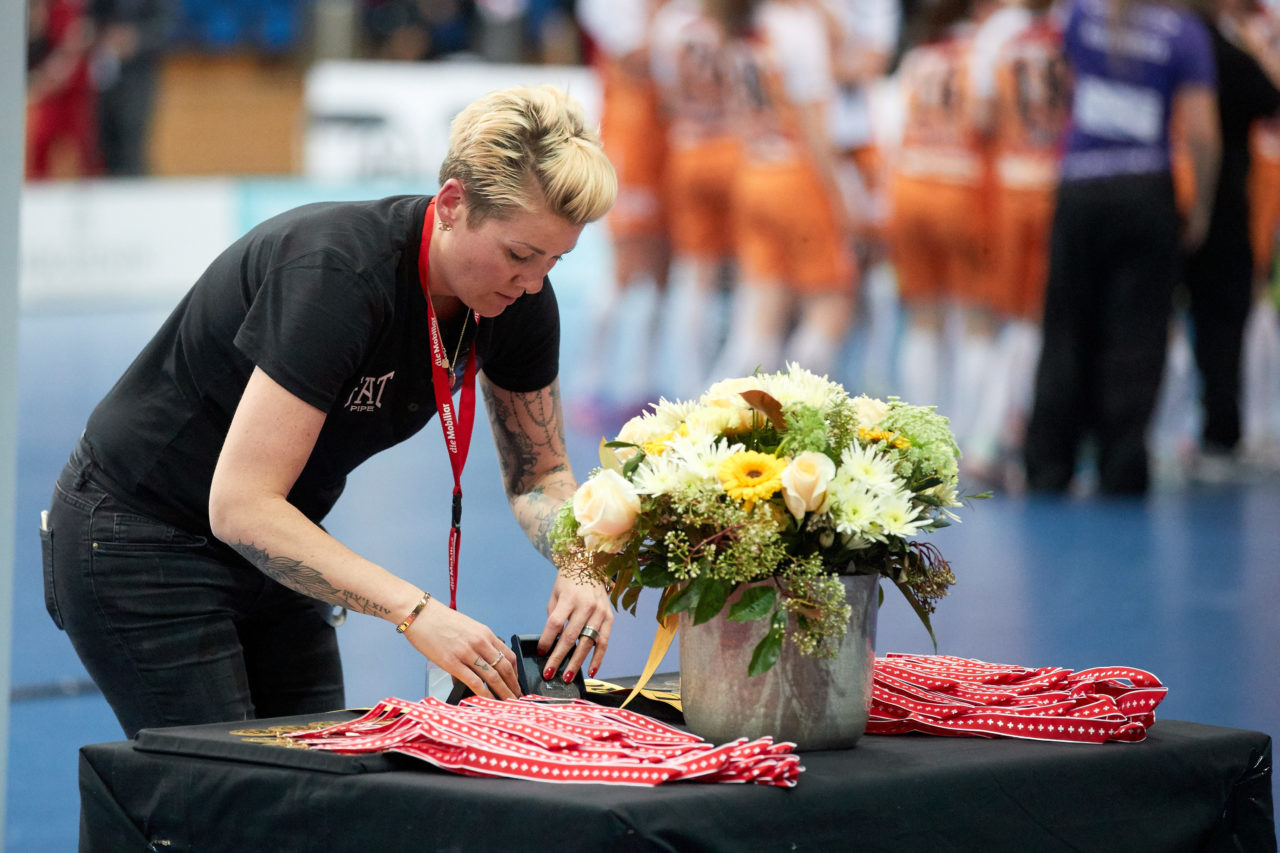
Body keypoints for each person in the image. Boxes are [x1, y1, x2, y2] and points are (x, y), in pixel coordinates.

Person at [40, 85, 619, 738]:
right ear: (453, 204)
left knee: (316, 780)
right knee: (223, 785)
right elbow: (240, 506)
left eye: (556, 260)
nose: (534, 282)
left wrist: (581, 561)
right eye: (519, 254)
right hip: (144, 532)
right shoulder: (339, 275)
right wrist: (415, 611)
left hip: (277, 534)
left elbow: (541, 474)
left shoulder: (519, 301)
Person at [1023, 0, 1220, 495]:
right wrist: (1200, 209)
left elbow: (1048, 86)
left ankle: (1048, 465)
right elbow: (1203, 133)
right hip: (1145, 189)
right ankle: (1122, 466)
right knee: (1138, 334)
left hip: (1080, 187)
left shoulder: (1080, 15)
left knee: (1066, 327)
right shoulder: (1183, 32)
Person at [1181, 0, 1280, 480]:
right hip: (1218, 207)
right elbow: (1269, 96)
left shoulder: (1196, 44)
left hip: (1176, 199)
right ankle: (1220, 435)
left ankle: (1153, 434)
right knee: (1223, 325)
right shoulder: (1222, 48)